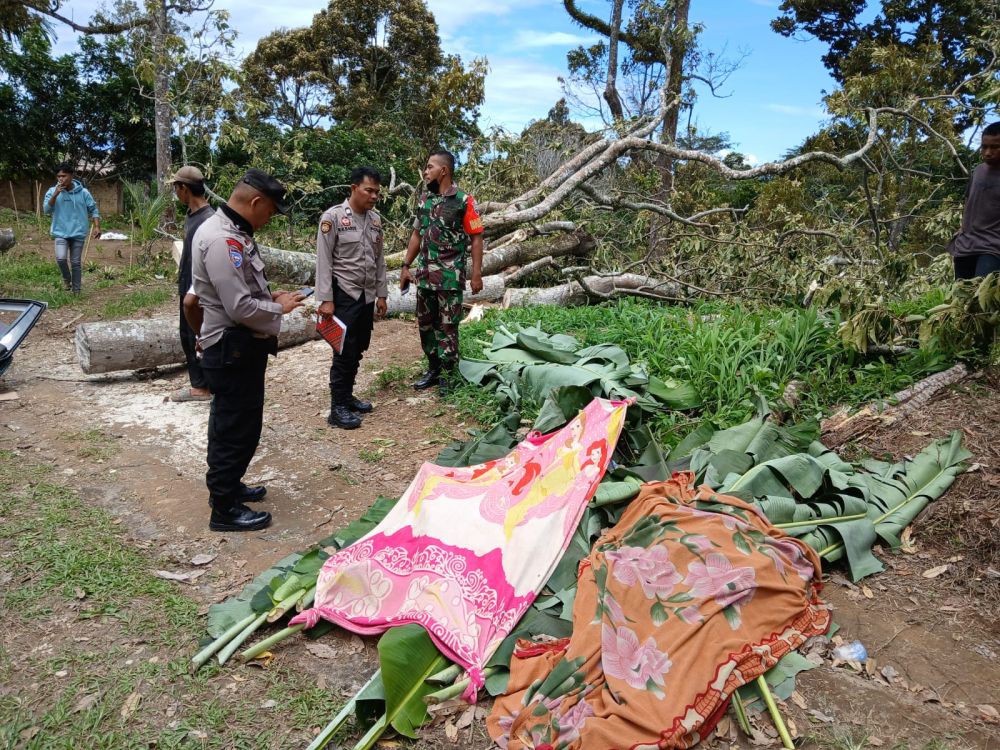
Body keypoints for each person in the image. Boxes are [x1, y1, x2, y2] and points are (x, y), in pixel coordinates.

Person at [190, 168, 305, 532]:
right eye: (270, 211)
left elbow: (228, 295)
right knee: (234, 427)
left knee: (239, 422)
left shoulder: (233, 233)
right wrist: (279, 309)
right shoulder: (223, 240)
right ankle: (223, 508)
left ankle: (229, 486)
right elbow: (238, 308)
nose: (269, 219)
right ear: (255, 202)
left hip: (237, 346)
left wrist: (270, 297)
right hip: (231, 348)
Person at [398, 150, 484, 393]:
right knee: (425, 324)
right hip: (424, 277)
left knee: (448, 326)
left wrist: (477, 274)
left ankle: (448, 373)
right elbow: (417, 233)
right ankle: (433, 368)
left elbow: (476, 238)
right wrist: (406, 265)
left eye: (429, 167)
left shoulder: (464, 201)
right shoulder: (425, 200)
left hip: (449, 277)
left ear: (443, 170)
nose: (425, 172)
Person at [316, 166, 388, 429]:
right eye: (369, 190)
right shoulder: (333, 218)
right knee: (343, 351)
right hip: (344, 293)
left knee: (358, 348)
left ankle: (347, 397)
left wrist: (382, 294)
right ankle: (337, 408)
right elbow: (323, 261)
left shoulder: (376, 220)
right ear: (353, 188)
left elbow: (379, 260)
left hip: (367, 295)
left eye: (377, 192)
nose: (374, 196)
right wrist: (325, 298)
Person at [167, 165, 214, 402]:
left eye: (176, 188)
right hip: (187, 284)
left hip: (197, 289)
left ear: (184, 188)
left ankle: (202, 387)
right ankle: (204, 384)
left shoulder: (208, 220)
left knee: (196, 335)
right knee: (187, 334)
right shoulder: (193, 215)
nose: (176, 193)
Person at [948, 122, 1000, 279]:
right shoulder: (977, 171)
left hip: (993, 249)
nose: (988, 152)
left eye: (995, 147)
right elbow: (969, 201)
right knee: (961, 298)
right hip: (966, 247)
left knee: (980, 299)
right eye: (984, 147)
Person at [42, 162, 101, 294]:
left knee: (75, 263)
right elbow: (46, 210)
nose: (61, 179)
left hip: (78, 233)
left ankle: (77, 290)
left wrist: (97, 227)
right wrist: (55, 195)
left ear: (71, 175)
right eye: (58, 176)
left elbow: (93, 209)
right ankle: (66, 278)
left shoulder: (83, 192)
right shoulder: (52, 191)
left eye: (64, 176)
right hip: (60, 232)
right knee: (61, 258)